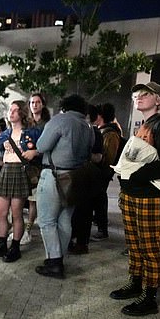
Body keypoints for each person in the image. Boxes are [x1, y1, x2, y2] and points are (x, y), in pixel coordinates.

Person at [110, 82, 160, 316]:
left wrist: (135, 176)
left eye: (146, 94)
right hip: (133, 193)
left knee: (149, 247)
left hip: (150, 196)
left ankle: (149, 296)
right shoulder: (145, 124)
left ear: (159, 98)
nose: (139, 98)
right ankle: (136, 283)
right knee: (134, 244)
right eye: (136, 95)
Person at [34, 94, 94, 279]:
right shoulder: (88, 126)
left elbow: (42, 145)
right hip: (75, 177)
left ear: (64, 106)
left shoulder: (60, 120)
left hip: (54, 175)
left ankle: (54, 262)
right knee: (65, 219)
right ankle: (58, 258)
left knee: (46, 220)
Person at [0, 100, 40, 262]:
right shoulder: (5, 133)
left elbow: (43, 148)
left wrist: (35, 152)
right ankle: (2, 243)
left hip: (20, 171)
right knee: (1, 212)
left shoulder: (32, 132)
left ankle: (15, 247)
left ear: (22, 113)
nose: (11, 113)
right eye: (10, 110)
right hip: (6, 170)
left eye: (15, 110)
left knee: (17, 212)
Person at [68, 105, 103, 255]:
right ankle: (72, 239)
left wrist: (83, 155)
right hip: (73, 175)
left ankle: (82, 243)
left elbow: (98, 157)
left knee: (84, 211)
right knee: (73, 210)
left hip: (86, 176)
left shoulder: (94, 132)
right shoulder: (75, 131)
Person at [90, 103, 123, 241]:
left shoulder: (110, 133)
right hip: (99, 172)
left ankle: (102, 229)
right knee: (97, 199)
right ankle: (99, 223)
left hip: (102, 172)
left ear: (100, 116)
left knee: (100, 199)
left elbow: (109, 158)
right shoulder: (103, 130)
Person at [21, 93, 50, 245]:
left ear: (42, 105)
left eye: (38, 102)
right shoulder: (26, 124)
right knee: (20, 199)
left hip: (39, 166)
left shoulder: (47, 124)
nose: (35, 105)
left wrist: (36, 152)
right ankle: (20, 229)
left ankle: (28, 230)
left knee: (33, 201)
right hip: (24, 165)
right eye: (32, 102)